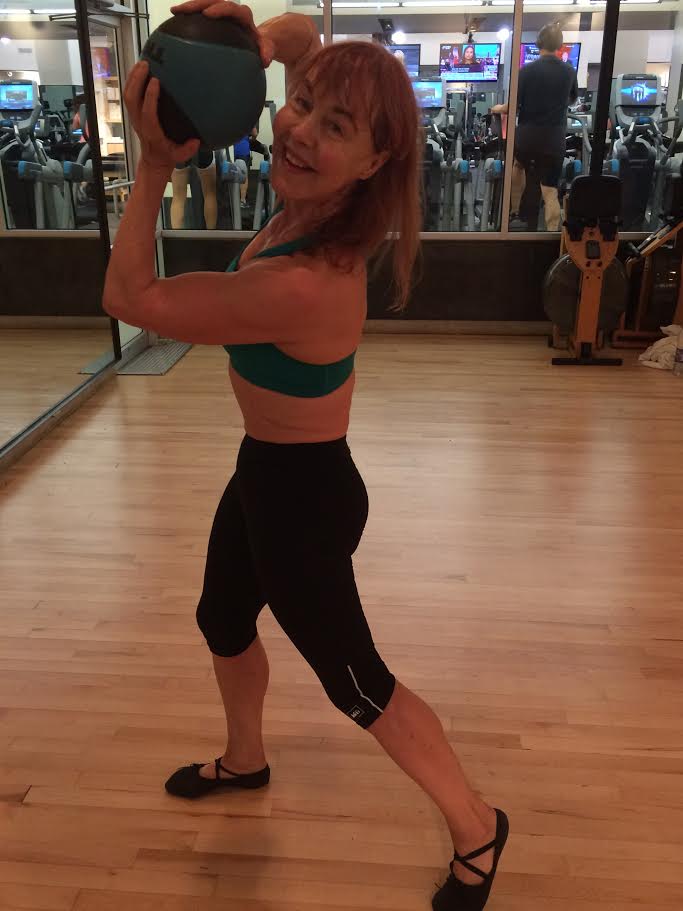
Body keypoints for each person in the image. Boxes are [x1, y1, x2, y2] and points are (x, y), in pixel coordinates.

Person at [103, 2, 509, 908]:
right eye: (300, 105)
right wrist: (249, 44)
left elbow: (129, 296)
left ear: (373, 161)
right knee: (221, 617)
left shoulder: (301, 282)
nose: (297, 129)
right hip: (265, 471)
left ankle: (477, 824)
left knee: (357, 682)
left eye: (334, 126)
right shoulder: (320, 199)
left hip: (303, 500)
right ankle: (245, 758)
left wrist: (154, 164)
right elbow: (295, 36)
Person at [492, 22, 578, 231]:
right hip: (554, 139)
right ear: (560, 45)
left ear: (539, 43)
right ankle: (552, 234)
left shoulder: (526, 71)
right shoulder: (569, 71)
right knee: (550, 191)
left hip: (528, 138)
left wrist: (497, 108)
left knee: (518, 166)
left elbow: (512, 106)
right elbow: (573, 99)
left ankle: (514, 212)